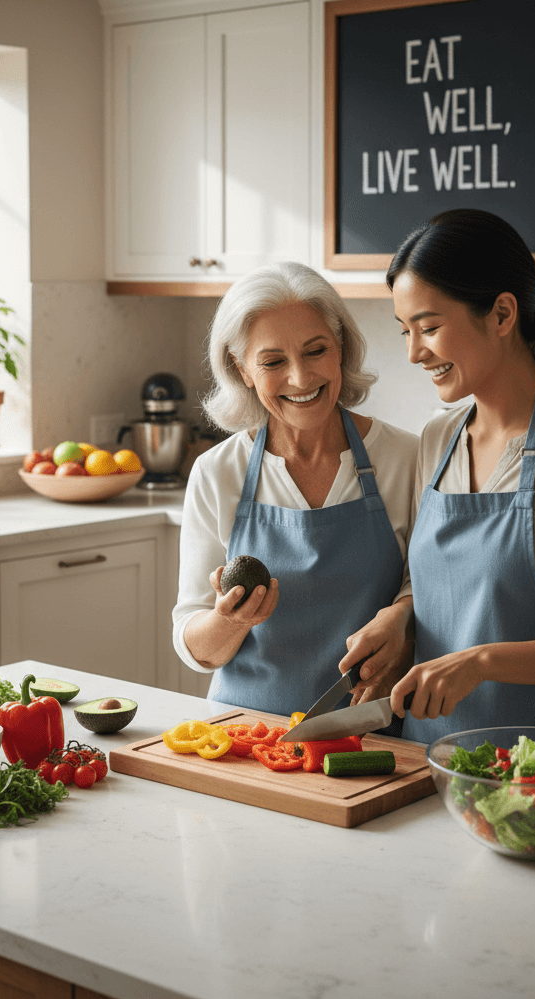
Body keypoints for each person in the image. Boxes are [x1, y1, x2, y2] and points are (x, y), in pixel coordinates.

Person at [342, 209, 535, 744]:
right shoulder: (439, 441)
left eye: (430, 327)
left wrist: (482, 662)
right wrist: (401, 618)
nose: (415, 352)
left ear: (503, 313)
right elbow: (438, 584)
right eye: (405, 331)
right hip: (432, 761)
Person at [172, 262, 419, 718]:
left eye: (315, 351)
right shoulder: (216, 472)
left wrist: (400, 619)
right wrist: (229, 622)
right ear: (241, 369)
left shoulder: (406, 458)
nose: (301, 379)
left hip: (371, 735)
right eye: (272, 362)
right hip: (245, 735)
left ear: (341, 346)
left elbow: (429, 590)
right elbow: (195, 645)